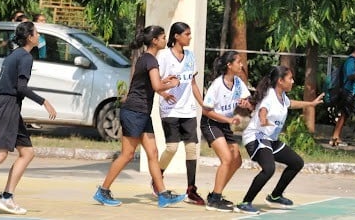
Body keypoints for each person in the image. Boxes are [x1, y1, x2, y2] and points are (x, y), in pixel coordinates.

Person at [0, 21, 57, 217]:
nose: (39, 36)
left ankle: (6, 197)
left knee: (27, 152)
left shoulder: (15, 54)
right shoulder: (24, 57)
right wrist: (44, 102)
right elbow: (21, 87)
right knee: (0, 154)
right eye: (37, 33)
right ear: (30, 37)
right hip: (7, 105)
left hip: (11, 106)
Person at [92, 25, 187, 209]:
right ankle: (103, 191)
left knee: (153, 153)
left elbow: (151, 85)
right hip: (134, 112)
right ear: (154, 41)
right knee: (127, 155)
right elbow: (157, 86)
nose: (164, 40)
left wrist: (164, 86)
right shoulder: (150, 60)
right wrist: (171, 84)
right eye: (162, 37)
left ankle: (162, 195)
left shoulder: (146, 59)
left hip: (142, 113)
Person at [236, 66, 324, 214]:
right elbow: (263, 109)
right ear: (280, 81)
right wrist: (263, 118)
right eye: (290, 78)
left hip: (270, 139)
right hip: (257, 136)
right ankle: (245, 202)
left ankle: (275, 196)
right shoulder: (270, 96)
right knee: (269, 169)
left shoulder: (282, 96)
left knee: (296, 163)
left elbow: (292, 103)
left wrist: (311, 104)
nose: (293, 81)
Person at [154, 22, 205, 205]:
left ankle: (191, 190)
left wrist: (203, 104)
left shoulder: (190, 56)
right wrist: (164, 93)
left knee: (192, 148)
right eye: (187, 34)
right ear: (176, 36)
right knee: (172, 148)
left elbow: (192, 83)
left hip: (188, 109)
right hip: (170, 109)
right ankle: (157, 177)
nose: (190, 37)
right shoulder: (164, 56)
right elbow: (156, 82)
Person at [200, 50, 253, 212]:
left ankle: (216, 193)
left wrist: (247, 105)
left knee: (237, 160)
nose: (241, 65)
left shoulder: (238, 83)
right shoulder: (217, 85)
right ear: (229, 65)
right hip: (211, 123)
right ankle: (214, 199)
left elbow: (249, 103)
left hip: (224, 124)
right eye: (238, 62)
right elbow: (206, 110)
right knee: (227, 159)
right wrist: (229, 120)